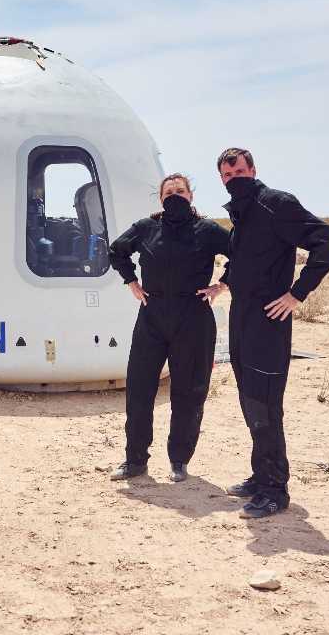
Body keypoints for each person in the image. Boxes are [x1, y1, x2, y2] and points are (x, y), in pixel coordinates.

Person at [217, 147, 329, 518]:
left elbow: (326, 241)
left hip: (269, 321)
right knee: (250, 400)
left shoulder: (276, 204)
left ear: (252, 169)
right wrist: (223, 283)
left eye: (238, 170)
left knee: (266, 404)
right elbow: (247, 260)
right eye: (225, 175)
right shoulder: (242, 213)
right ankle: (260, 475)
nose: (232, 178)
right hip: (241, 318)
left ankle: (274, 491)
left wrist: (297, 294)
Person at [106, 174, 230, 483]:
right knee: (139, 389)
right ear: (161, 199)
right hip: (153, 315)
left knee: (188, 393)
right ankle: (135, 460)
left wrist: (222, 285)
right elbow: (117, 250)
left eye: (180, 191)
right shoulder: (147, 228)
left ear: (191, 195)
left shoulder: (208, 229)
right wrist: (131, 281)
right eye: (169, 192)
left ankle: (179, 460)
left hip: (194, 317)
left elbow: (240, 254)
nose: (175, 195)